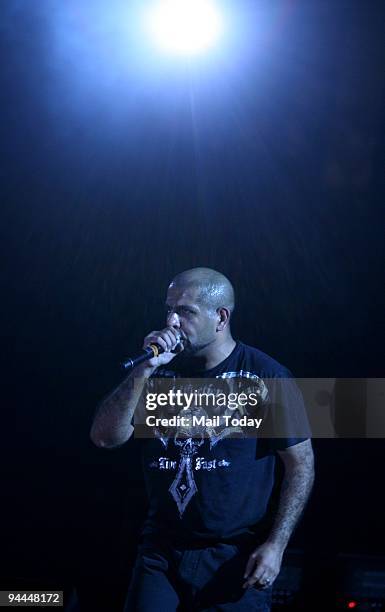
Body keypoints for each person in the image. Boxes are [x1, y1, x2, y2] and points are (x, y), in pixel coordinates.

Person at [90, 268, 315, 611]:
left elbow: (301, 466)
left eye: (185, 311)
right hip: (160, 551)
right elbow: (105, 438)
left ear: (221, 317)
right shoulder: (159, 371)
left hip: (233, 557)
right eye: (169, 309)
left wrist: (277, 544)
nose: (172, 321)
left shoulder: (264, 375)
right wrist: (145, 369)